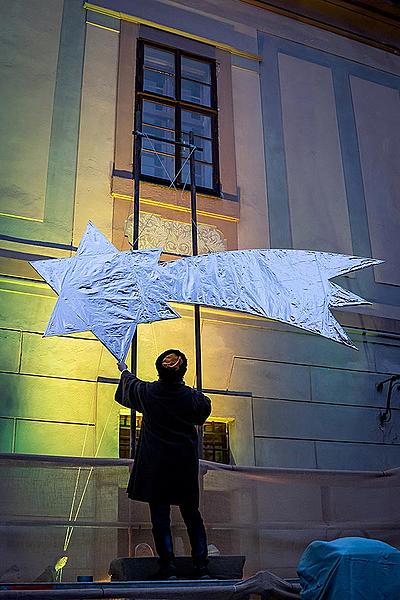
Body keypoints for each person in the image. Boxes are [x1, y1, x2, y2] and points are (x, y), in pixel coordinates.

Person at [115, 349, 212, 579]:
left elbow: (131, 385)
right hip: (183, 467)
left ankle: (168, 567)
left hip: (156, 467)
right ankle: (201, 566)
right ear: (183, 371)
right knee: (192, 515)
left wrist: (124, 369)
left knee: (160, 518)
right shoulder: (191, 398)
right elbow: (204, 408)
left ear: (159, 370)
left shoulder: (149, 393)